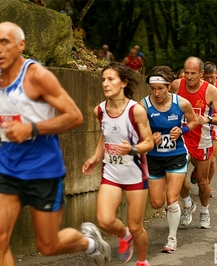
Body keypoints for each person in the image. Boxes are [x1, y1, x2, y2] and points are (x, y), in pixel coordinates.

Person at [0, 22, 111, 266]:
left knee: (48, 246)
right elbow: (12, 111)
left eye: (4, 42)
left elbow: (74, 116)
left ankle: (90, 242)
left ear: (20, 45)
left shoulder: (38, 76)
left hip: (43, 169)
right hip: (7, 167)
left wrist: (31, 129)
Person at [82, 62, 154, 266]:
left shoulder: (136, 110)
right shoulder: (100, 110)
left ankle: (142, 261)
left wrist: (131, 149)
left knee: (136, 225)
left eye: (111, 79)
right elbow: (104, 136)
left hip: (135, 175)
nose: (105, 83)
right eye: (103, 79)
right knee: (104, 220)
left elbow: (148, 142)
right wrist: (96, 157)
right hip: (111, 173)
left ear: (123, 83)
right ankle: (124, 235)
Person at [140, 66, 198, 253]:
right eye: (153, 89)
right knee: (157, 203)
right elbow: (136, 130)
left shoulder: (181, 103)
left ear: (168, 86)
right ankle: (177, 209)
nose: (157, 93)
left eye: (161, 88)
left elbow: (194, 121)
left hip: (176, 155)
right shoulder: (143, 106)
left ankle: (171, 239)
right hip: (154, 158)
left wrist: (182, 130)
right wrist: (149, 137)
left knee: (172, 197)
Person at [170, 56, 217, 229]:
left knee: (202, 182)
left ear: (201, 73)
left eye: (193, 73)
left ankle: (204, 210)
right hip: (182, 139)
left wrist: (208, 119)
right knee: (176, 176)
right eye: (186, 73)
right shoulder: (177, 85)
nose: (189, 77)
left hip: (202, 140)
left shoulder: (210, 90)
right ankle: (187, 204)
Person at [190, 61, 217, 197]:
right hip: (199, 126)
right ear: (201, 76)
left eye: (213, 77)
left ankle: (206, 185)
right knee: (196, 157)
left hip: (214, 125)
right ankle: (198, 170)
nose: (210, 80)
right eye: (207, 78)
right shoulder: (197, 86)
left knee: (212, 159)